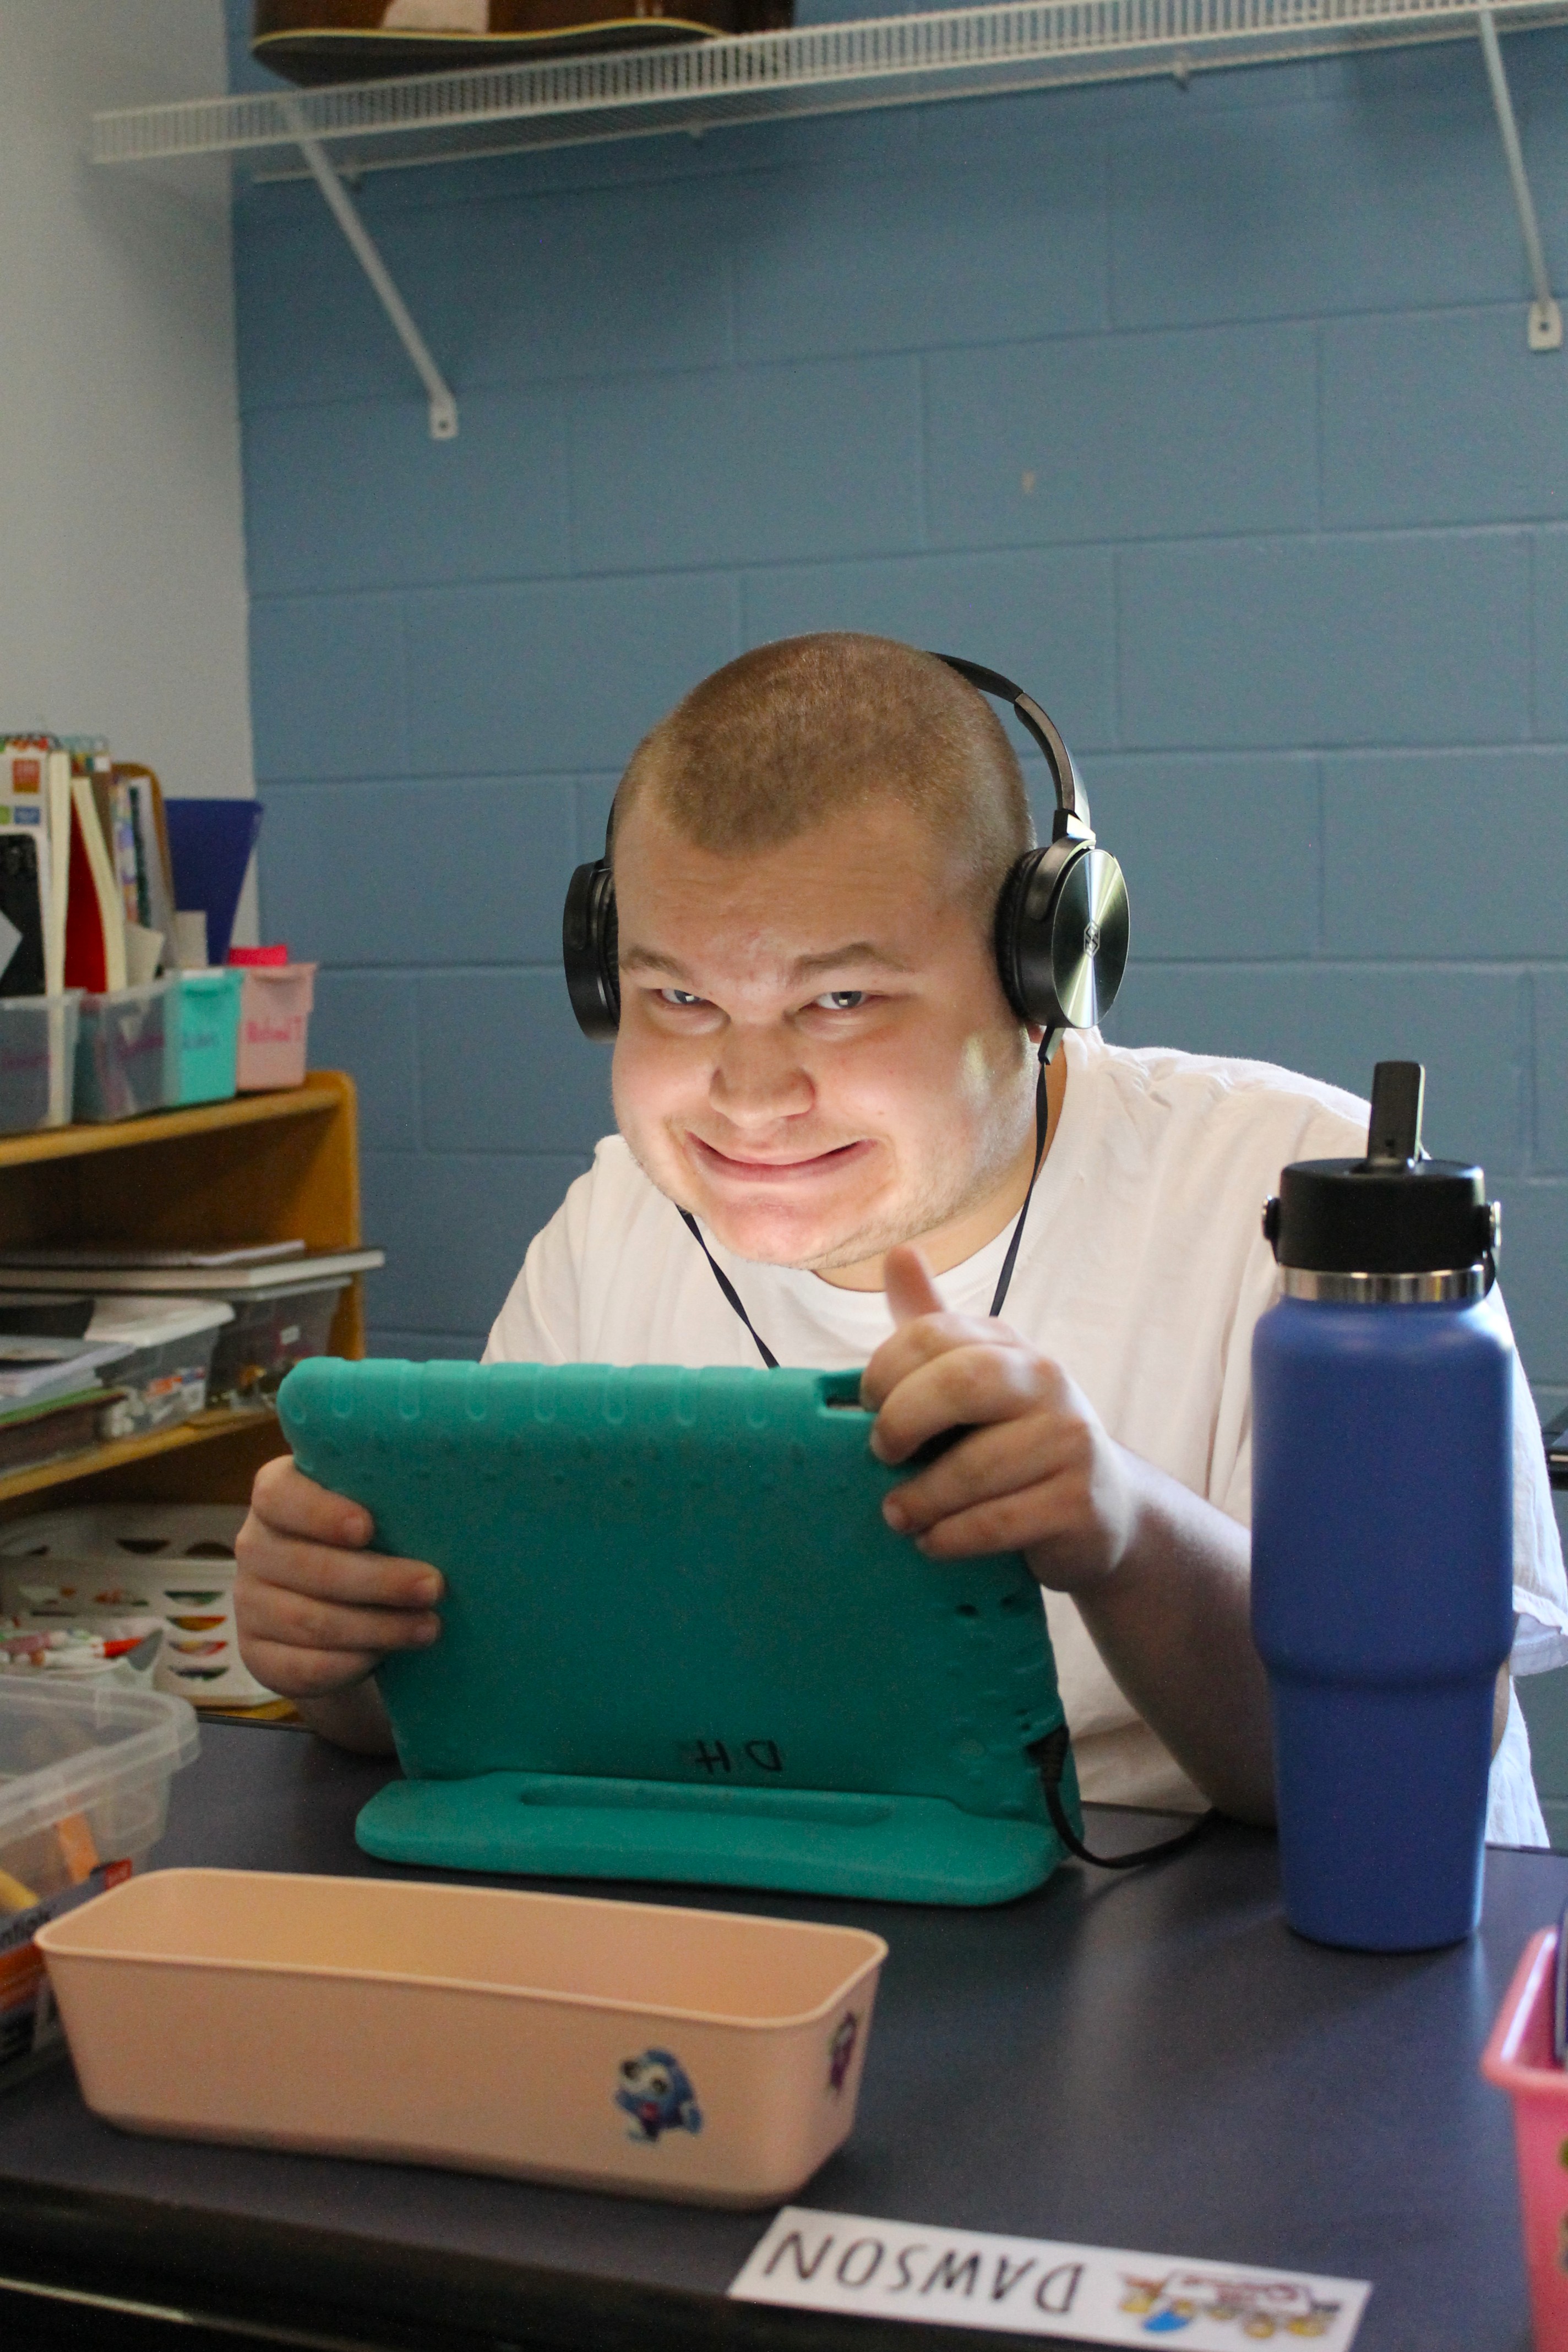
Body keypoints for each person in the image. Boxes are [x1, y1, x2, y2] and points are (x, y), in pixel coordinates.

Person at [235, 634, 1568, 1839]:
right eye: (681, 997)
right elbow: (491, 1711)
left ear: (1045, 978)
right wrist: (345, 1655)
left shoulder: (1303, 1211)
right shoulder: (616, 1226)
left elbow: (1413, 1772)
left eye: (843, 999)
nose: (747, 1096)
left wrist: (1120, 1531)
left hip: (1274, 1991)